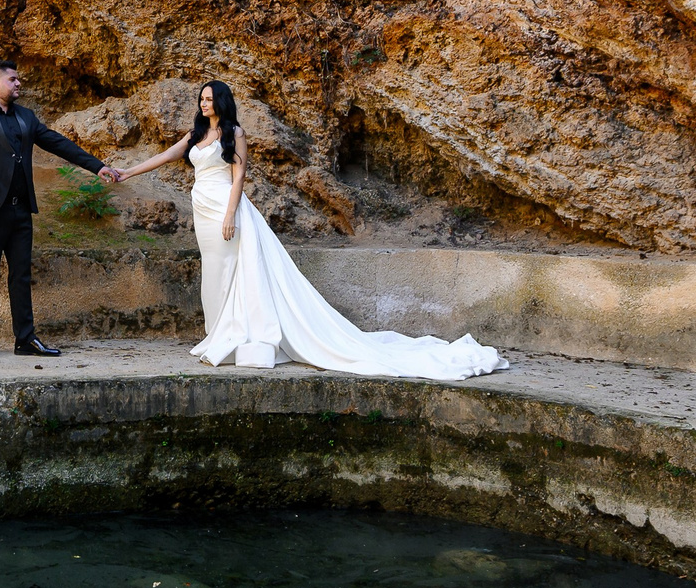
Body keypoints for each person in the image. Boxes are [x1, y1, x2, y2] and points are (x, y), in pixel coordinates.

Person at [112, 80, 505, 379]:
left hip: (226, 210)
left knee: (234, 270)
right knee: (214, 273)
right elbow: (166, 155)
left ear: (223, 103)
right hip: (202, 210)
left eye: (211, 99)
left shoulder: (234, 134)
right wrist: (127, 171)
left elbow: (239, 177)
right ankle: (217, 335)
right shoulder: (196, 135)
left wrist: (231, 214)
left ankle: (235, 337)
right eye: (202, 99)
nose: (205, 104)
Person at [0, 60, 123, 361]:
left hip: (20, 212)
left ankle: (25, 340)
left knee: (21, 276)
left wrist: (97, 166)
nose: (19, 84)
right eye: (13, 80)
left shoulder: (26, 117)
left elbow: (57, 143)